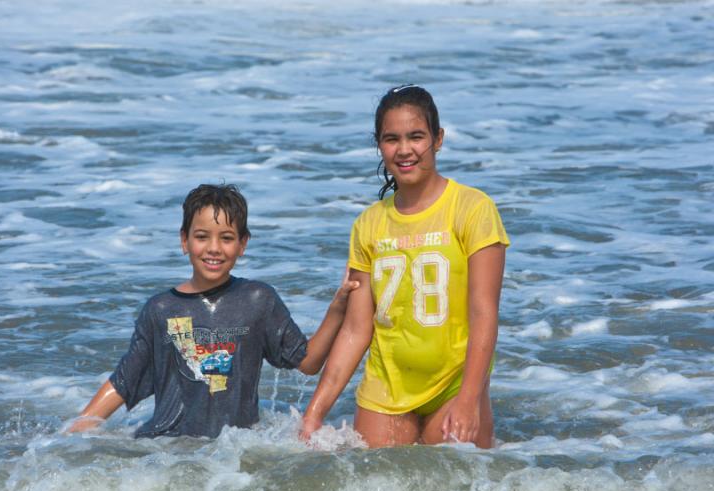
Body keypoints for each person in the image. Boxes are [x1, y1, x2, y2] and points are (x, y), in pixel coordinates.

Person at [301, 85, 509, 448]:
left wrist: (469, 400)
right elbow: (355, 330)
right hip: (386, 390)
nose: (404, 149)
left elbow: (484, 313)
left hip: (454, 385)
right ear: (379, 145)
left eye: (416, 136)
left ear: (438, 139)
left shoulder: (473, 209)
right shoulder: (368, 224)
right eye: (391, 139)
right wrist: (314, 413)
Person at [68, 184, 357, 438]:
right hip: (167, 447)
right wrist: (74, 431)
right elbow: (124, 382)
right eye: (202, 236)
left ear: (243, 244)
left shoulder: (257, 300)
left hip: (232, 454)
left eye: (227, 238)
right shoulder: (161, 310)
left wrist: (337, 309)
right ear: (185, 241)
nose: (214, 248)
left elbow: (307, 363)